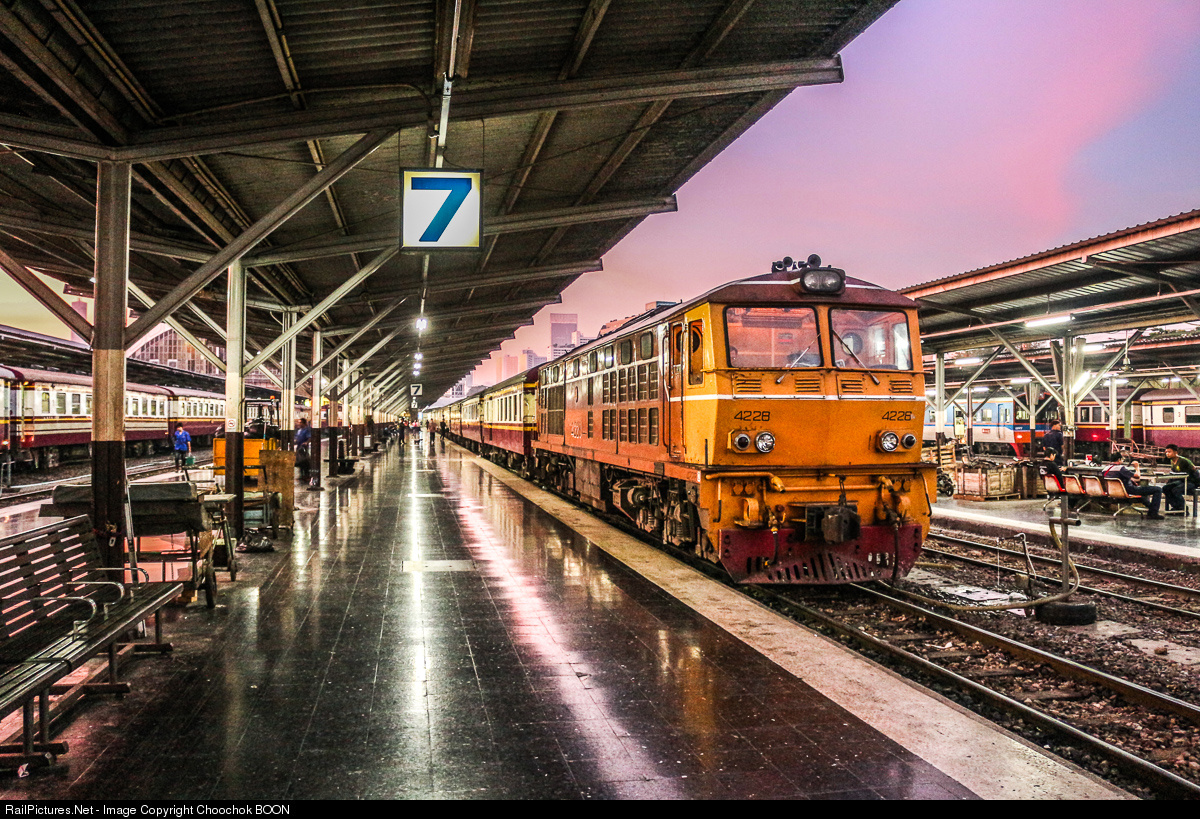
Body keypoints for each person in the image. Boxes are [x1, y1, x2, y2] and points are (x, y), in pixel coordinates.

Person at [1102, 453, 1163, 520]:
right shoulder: (1121, 469)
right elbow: (1137, 476)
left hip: (1113, 492)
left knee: (1142, 496)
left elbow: (1117, 478)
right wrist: (1137, 467)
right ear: (1119, 459)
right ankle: (1153, 514)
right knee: (1158, 489)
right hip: (1128, 490)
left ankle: (1152, 510)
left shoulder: (1105, 469)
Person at [1164, 444, 1199, 512]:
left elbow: (1195, 472)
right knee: (1165, 488)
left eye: (1169, 452)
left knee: (1176, 490)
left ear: (1175, 452)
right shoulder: (1172, 461)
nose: (1167, 454)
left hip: (1191, 482)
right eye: (1166, 452)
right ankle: (1176, 507)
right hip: (1181, 481)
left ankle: (1183, 508)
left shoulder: (1183, 461)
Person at [294, 417, 312, 482]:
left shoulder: (307, 430)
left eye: (300, 422)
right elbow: (297, 438)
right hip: (299, 447)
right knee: (300, 461)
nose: (299, 423)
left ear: (304, 423)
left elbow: (309, 437)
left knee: (304, 461)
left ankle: (306, 475)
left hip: (303, 447)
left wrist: (306, 442)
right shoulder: (299, 430)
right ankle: (302, 475)